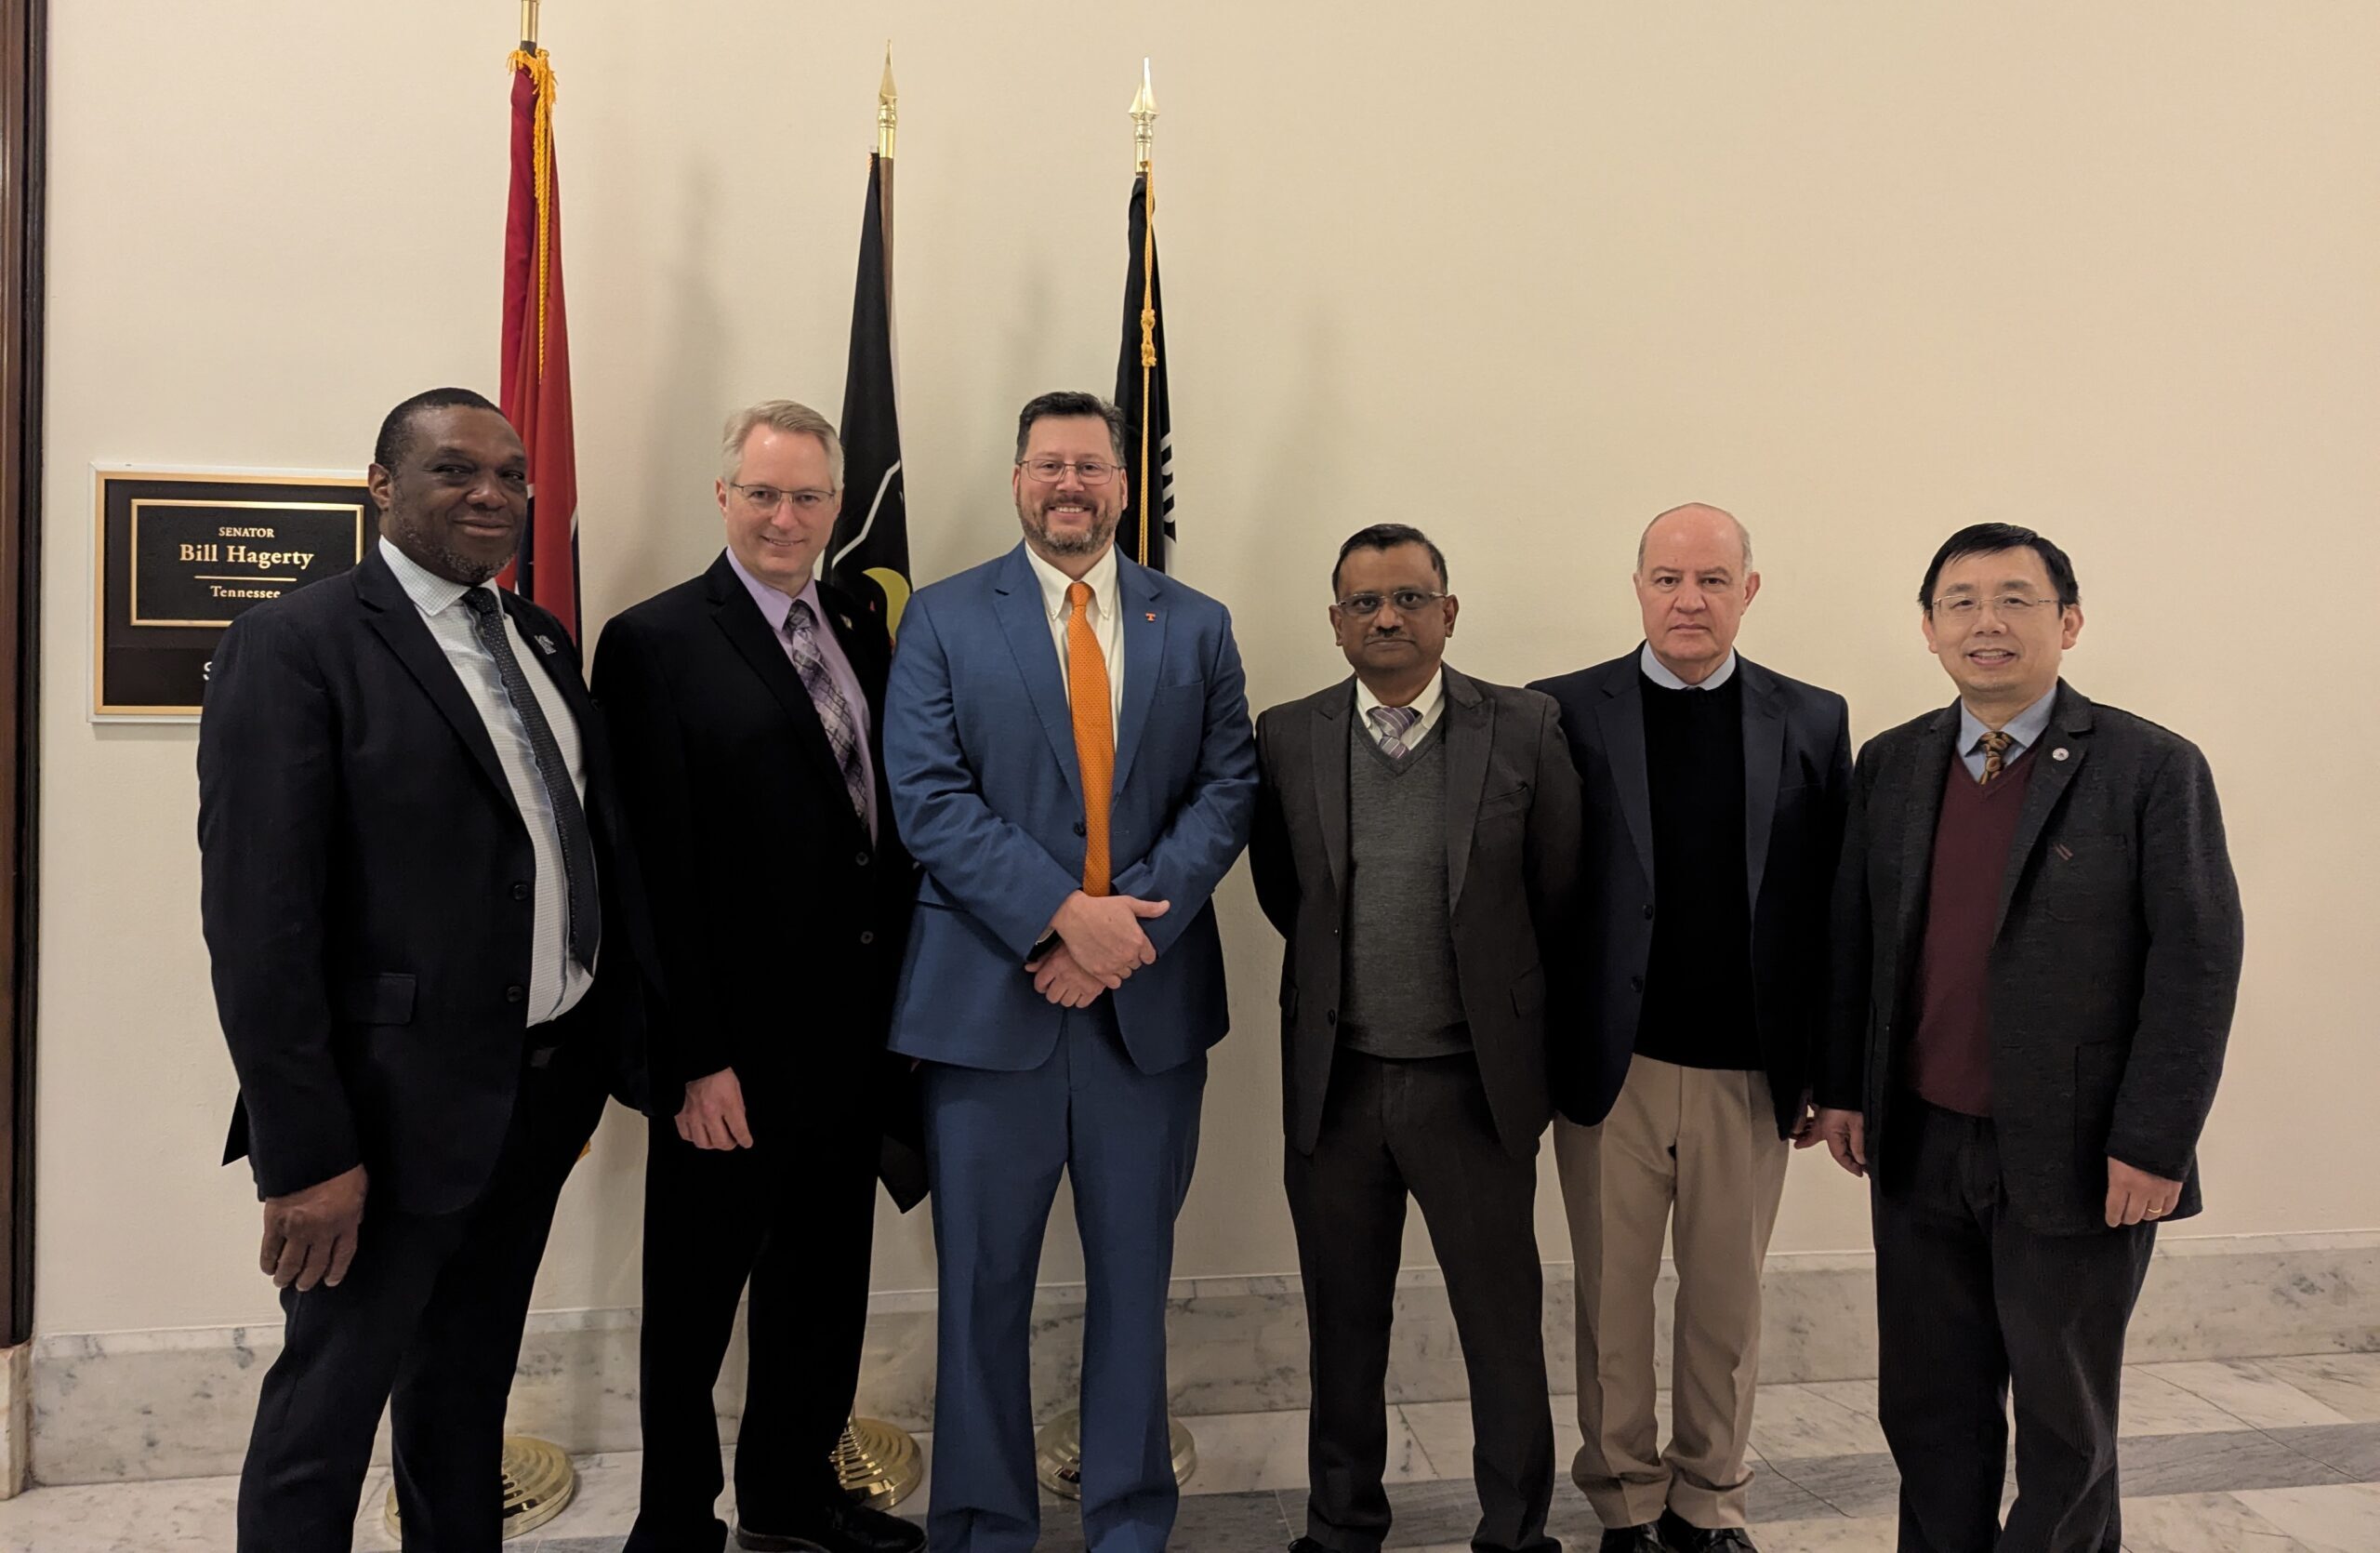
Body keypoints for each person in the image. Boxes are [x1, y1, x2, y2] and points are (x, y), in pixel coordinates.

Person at [197, 387, 649, 1551]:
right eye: (455, 470)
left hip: (536, 1094)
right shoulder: (296, 643)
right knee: (324, 1419)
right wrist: (307, 1153)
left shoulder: (537, 636)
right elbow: (260, 924)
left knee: (463, 1392)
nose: (492, 492)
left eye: (509, 472)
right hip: (383, 1119)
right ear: (383, 487)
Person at [1810, 524, 2243, 1553]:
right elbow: (1855, 938)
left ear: (2069, 621)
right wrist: (1844, 1084)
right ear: (1927, 628)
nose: (1986, 622)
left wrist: (2156, 1139)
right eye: (1959, 601)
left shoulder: (2149, 767)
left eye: (2015, 598)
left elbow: (2197, 961)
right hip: (1919, 1143)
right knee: (1927, 1409)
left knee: (2063, 1422)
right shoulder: (1894, 762)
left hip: (2081, 1153)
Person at [881, 390, 1257, 1553]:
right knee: (982, 1291)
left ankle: (1130, 1516)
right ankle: (985, 1523)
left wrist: (1120, 935)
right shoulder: (943, 619)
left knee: (1134, 1286)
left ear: (1122, 483)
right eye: (1048, 465)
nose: (1069, 486)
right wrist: (1057, 921)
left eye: (1090, 466)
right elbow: (927, 797)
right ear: (1016, 480)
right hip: (990, 1014)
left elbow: (1227, 783)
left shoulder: (1191, 623)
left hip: (1143, 1019)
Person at [595, 401, 923, 1553]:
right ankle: (675, 1519)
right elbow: (651, 866)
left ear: (838, 505)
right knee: (692, 1308)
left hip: (854, 1042)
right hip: (726, 1054)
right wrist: (694, 1056)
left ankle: (791, 1498)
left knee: (821, 1292)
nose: (786, 517)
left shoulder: (859, 619)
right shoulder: (653, 640)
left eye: (808, 497)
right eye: (764, 493)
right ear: (723, 496)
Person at [1250, 524, 1580, 1553]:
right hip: (1337, 1084)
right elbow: (1283, 888)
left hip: (1474, 1087)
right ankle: (1343, 1522)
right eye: (1363, 601)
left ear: (1448, 611)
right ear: (1336, 620)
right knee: (1343, 1325)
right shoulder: (1288, 733)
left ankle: (1515, 1530)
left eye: (1407, 597)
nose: (1385, 617)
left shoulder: (1525, 727)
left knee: (1500, 1326)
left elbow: (1559, 889)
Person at [1529, 505, 1852, 1553]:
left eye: (1712, 579)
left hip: (1749, 1070)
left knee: (1724, 1307)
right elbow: (1532, 896)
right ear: (1636, 587)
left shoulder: (1811, 718)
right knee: (1610, 1305)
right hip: (1607, 1067)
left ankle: (1709, 1499)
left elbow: (1833, 912)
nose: (1689, 599)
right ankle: (1624, 1502)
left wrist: (1829, 1066)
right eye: (1668, 578)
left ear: (1748, 591)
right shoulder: (1562, 711)